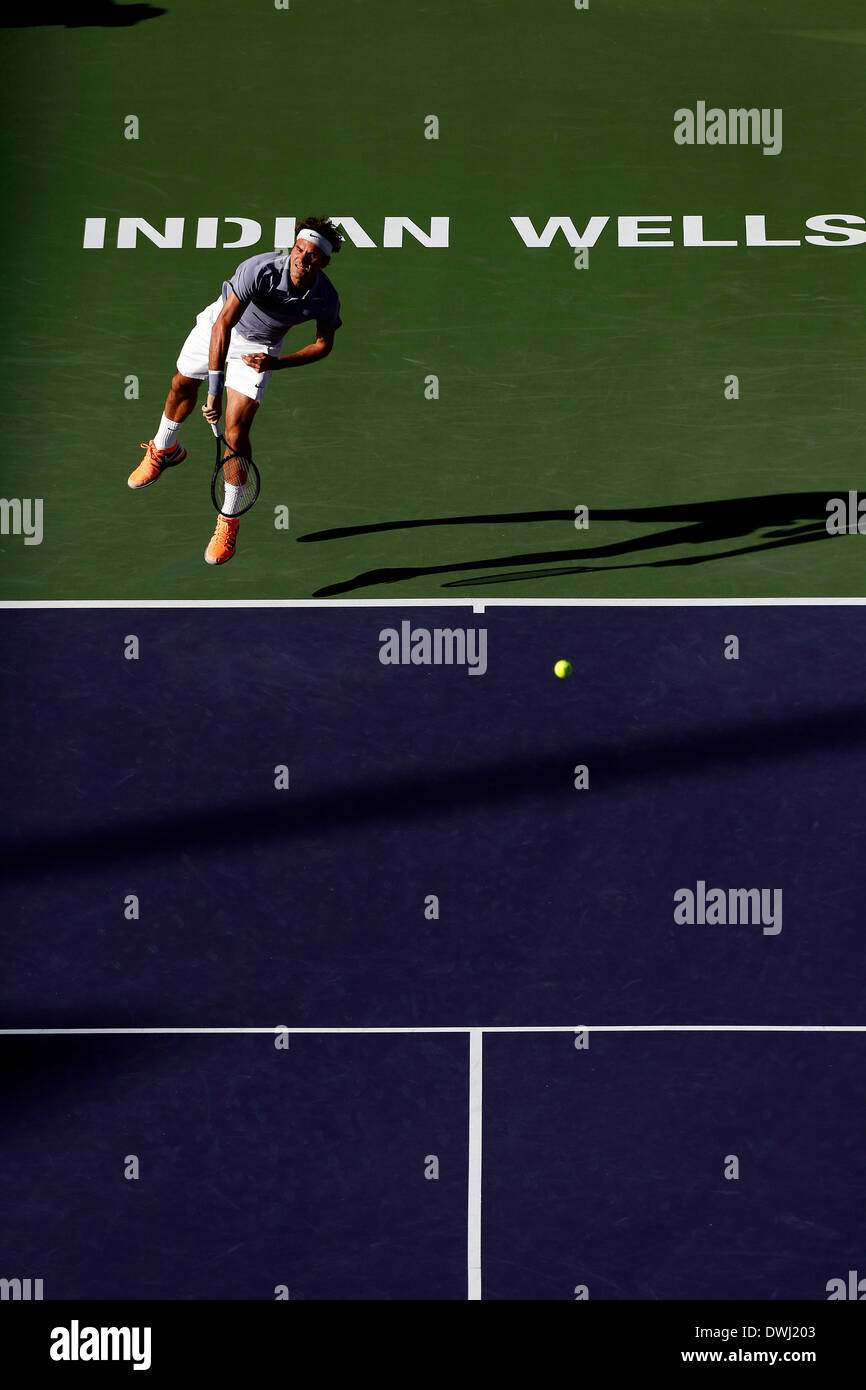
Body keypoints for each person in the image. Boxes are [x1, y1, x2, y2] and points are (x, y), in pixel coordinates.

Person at [128, 216, 343, 565]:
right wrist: (214, 389)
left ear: (324, 261)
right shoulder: (258, 270)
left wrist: (274, 363)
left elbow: (323, 346)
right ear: (293, 248)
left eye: (312, 255)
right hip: (221, 326)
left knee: (235, 431)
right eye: (299, 250)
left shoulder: (325, 298)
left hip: (260, 348)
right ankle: (165, 448)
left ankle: (229, 517)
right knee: (182, 383)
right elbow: (223, 324)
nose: (302, 259)